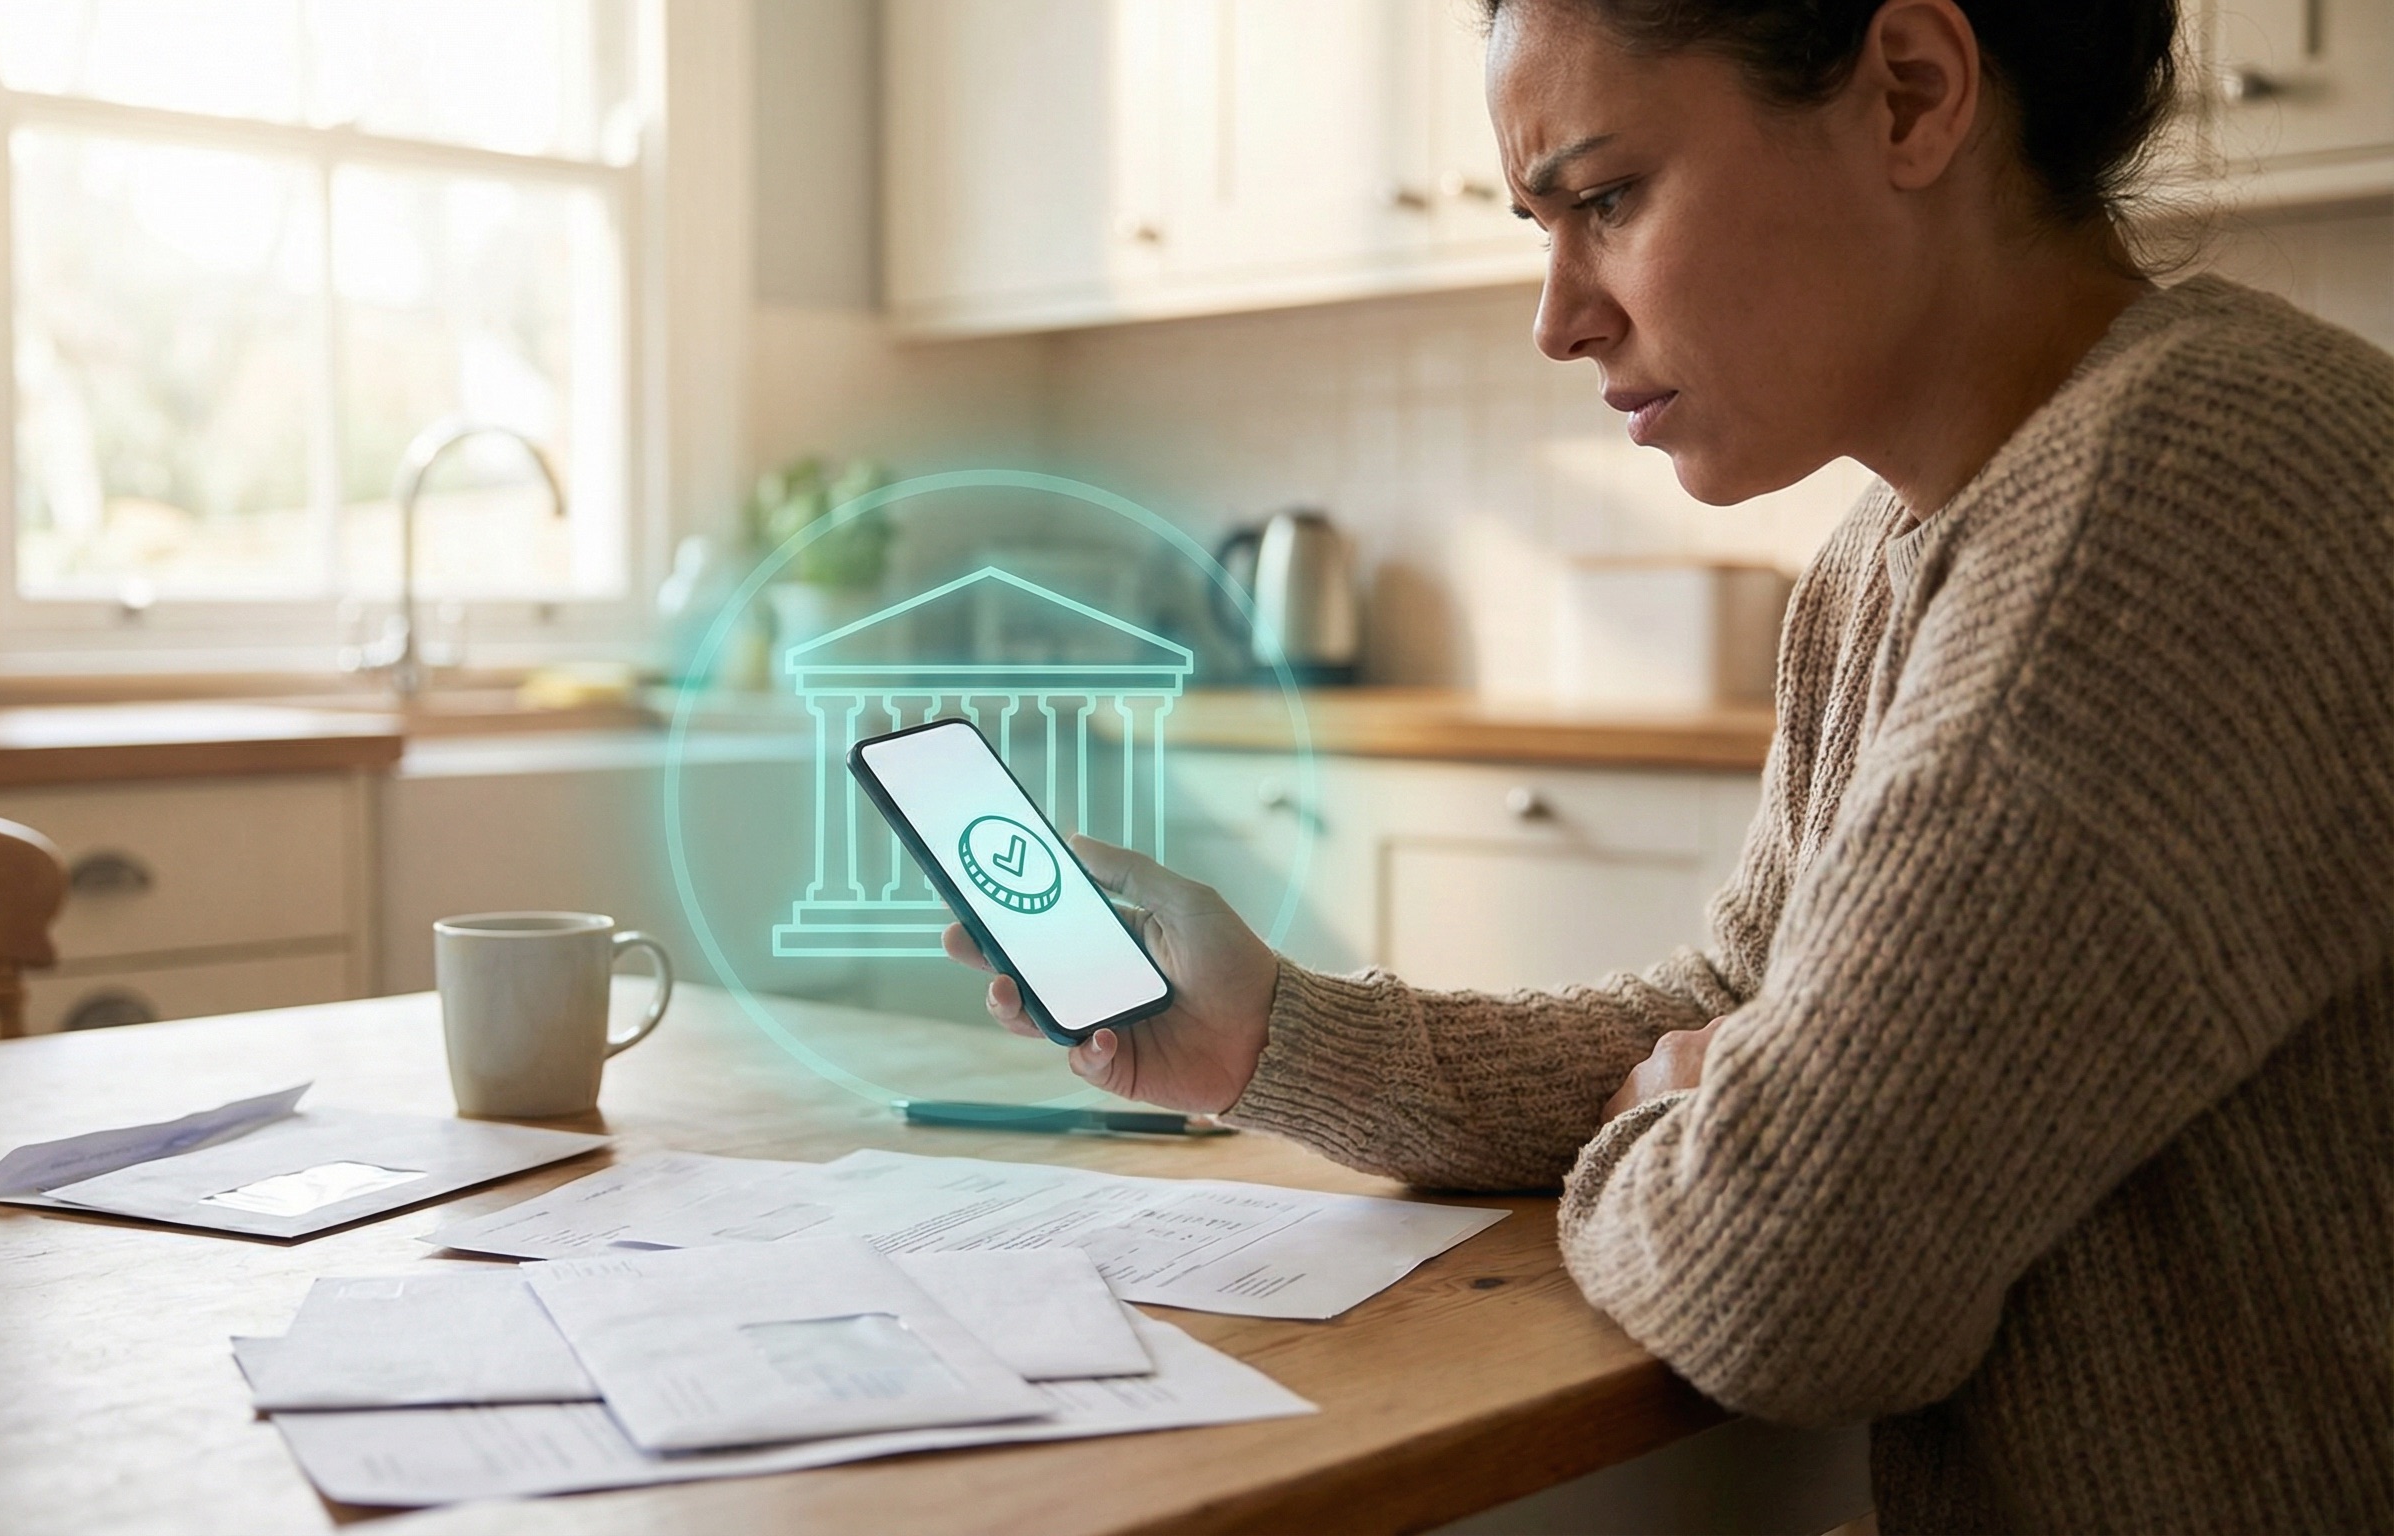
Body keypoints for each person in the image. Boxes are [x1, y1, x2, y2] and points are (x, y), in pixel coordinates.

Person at [945, 0, 2394, 1529]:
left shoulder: (2187, 494)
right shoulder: (1889, 556)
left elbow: (1786, 1279)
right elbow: (1722, 1021)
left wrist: (1712, 1121)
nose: (1558, 317)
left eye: (1609, 199)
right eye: (1540, 223)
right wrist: (1271, 1037)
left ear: (1910, 92)